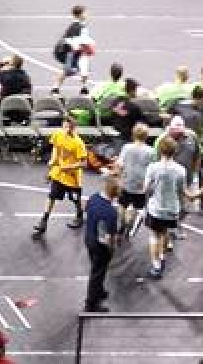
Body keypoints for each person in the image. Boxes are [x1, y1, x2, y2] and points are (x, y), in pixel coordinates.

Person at [33, 116, 102, 239]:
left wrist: (69, 167)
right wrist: (52, 164)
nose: (65, 129)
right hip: (58, 174)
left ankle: (80, 216)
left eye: (68, 127)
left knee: (75, 199)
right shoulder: (58, 134)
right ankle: (43, 222)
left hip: (73, 178)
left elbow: (84, 163)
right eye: (64, 126)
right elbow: (55, 148)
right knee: (51, 196)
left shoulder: (78, 143)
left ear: (73, 128)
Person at [142, 135, 188, 280]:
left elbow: (145, 189)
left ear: (160, 150)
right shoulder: (181, 170)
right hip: (172, 209)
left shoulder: (153, 168)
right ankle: (162, 256)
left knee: (154, 235)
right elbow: (182, 191)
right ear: (175, 151)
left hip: (156, 209)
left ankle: (156, 266)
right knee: (165, 232)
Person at [84, 176, 122, 312]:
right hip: (100, 246)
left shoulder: (93, 198)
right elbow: (109, 237)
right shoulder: (110, 212)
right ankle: (91, 304)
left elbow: (86, 209)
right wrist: (112, 249)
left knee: (96, 268)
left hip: (89, 238)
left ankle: (99, 291)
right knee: (97, 273)